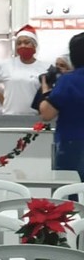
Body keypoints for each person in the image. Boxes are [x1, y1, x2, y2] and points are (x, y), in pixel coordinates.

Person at [39, 33, 84, 181]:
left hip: (73, 143)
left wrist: (45, 89)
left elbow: (47, 113)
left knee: (69, 190)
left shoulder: (68, 81)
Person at [0, 25, 52, 116]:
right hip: (10, 115)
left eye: (27, 42)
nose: (22, 46)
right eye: (19, 43)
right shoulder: (6, 65)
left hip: (35, 117)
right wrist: (0, 98)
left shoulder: (45, 67)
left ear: (35, 45)